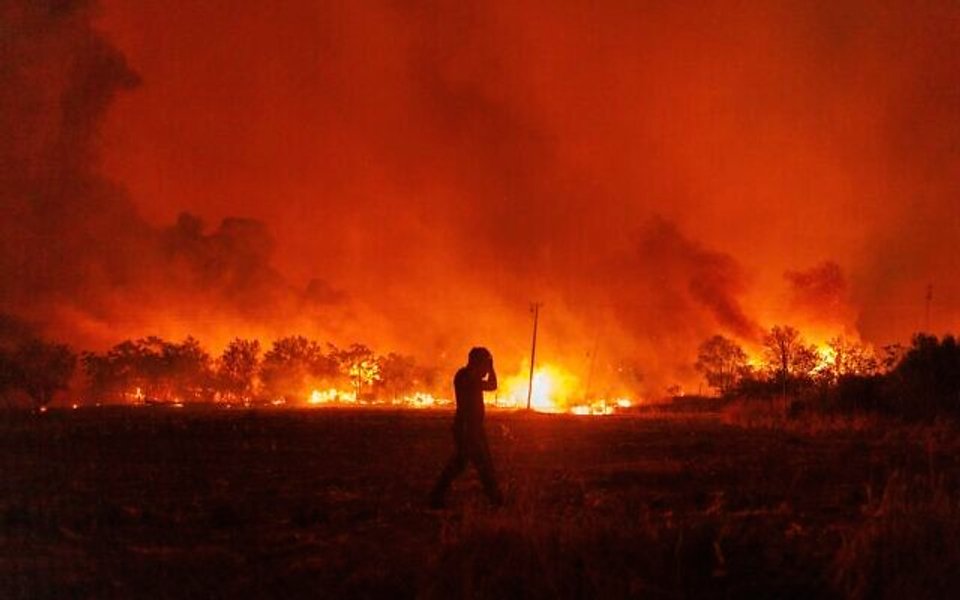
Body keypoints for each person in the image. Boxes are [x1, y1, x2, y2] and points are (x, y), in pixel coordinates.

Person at [429, 346, 503, 508]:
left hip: (474, 427)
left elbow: (492, 385)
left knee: (469, 463)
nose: (485, 369)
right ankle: (495, 499)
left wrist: (490, 368)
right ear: (476, 362)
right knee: (479, 463)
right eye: (484, 363)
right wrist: (489, 368)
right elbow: (489, 384)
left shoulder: (471, 376)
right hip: (466, 428)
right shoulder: (465, 376)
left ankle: (436, 496)